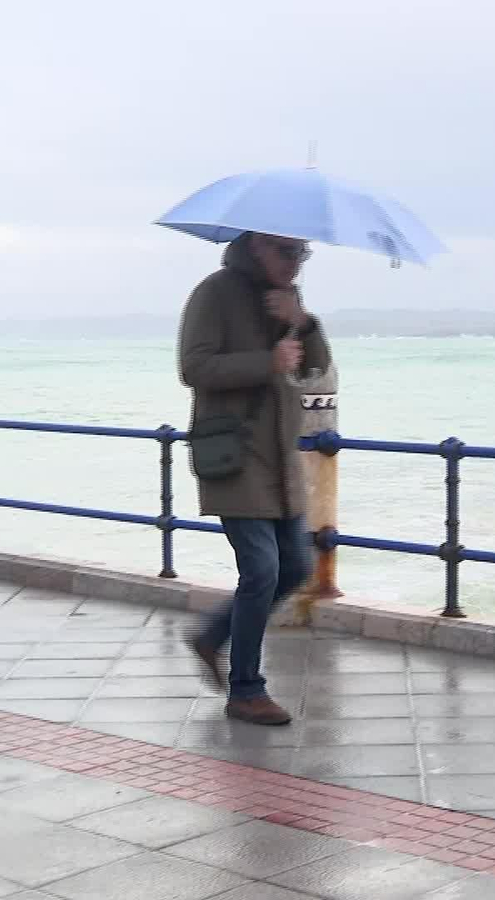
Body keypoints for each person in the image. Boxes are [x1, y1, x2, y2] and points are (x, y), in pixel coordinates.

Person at [179, 231, 331, 726]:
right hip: (235, 455)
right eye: (285, 250)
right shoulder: (214, 292)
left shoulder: (287, 299)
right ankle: (246, 689)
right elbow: (193, 367)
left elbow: (316, 367)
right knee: (262, 569)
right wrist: (267, 362)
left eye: (301, 252)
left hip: (281, 461)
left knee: (296, 567)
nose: (295, 261)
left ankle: (212, 636)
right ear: (255, 245)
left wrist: (302, 323)